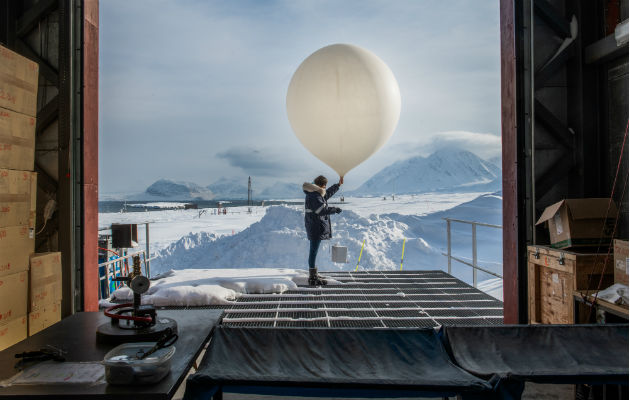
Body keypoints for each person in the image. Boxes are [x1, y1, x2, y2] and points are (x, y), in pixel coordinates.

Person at [302, 175, 343, 286]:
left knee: (314, 250)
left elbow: (326, 195)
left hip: (315, 225)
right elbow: (321, 210)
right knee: (313, 250)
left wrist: (338, 185)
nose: (325, 188)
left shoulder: (315, 193)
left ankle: (313, 273)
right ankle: (312, 276)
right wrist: (335, 209)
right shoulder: (314, 195)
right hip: (315, 226)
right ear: (322, 185)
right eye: (325, 185)